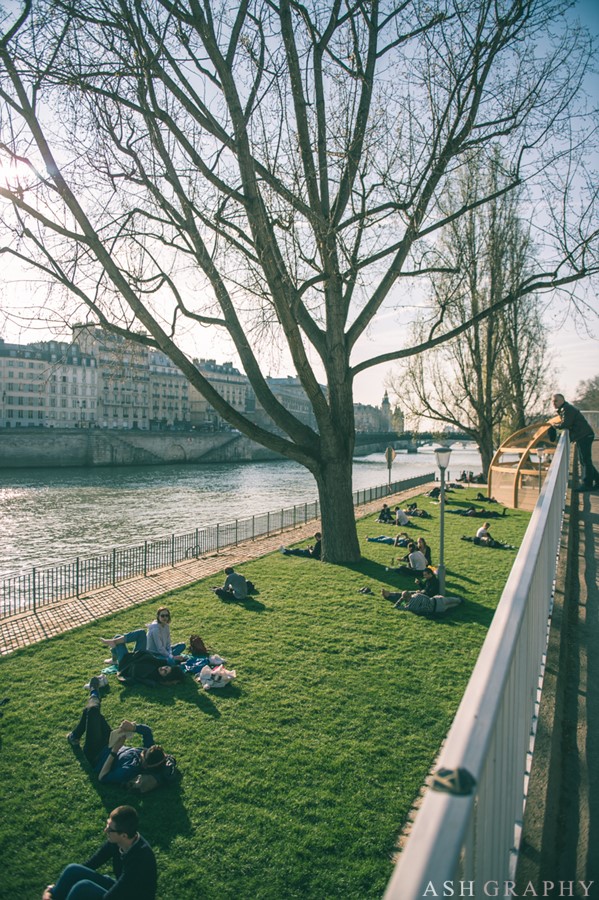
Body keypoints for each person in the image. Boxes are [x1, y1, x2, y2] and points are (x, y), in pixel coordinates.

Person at [66, 678, 176, 789]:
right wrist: (133, 727)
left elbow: (102, 777)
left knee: (93, 711)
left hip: (96, 753)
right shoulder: (149, 754)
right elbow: (147, 731)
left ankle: (94, 691)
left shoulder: (129, 770)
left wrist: (114, 751)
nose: (142, 751)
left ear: (146, 765)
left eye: (143, 754)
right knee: (92, 714)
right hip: (111, 740)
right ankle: (74, 736)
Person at [42, 805, 157, 900]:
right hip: (121, 889)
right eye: (107, 824)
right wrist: (58, 887)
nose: (105, 830)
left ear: (124, 835)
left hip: (130, 896)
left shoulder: (141, 859)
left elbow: (115, 895)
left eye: (110, 829)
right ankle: (53, 896)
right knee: (73, 870)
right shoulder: (116, 842)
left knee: (83, 888)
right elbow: (93, 863)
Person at [550, 393, 599, 492]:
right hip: (584, 436)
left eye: (556, 401)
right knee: (584, 460)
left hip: (584, 436)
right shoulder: (565, 409)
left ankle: (587, 484)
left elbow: (566, 424)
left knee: (585, 460)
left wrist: (554, 426)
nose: (553, 403)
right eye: (552, 401)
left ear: (562, 400)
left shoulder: (567, 409)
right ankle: (597, 481)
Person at [117, 650, 185, 686]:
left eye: (165, 672)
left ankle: (114, 656)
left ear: (164, 677)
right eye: (166, 667)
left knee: (117, 640)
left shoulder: (152, 676)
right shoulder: (159, 663)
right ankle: (114, 655)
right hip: (130, 658)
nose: (163, 668)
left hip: (124, 665)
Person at [382, 588, 463, 616]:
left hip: (437, 609)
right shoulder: (417, 595)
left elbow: (396, 607)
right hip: (437, 600)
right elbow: (427, 597)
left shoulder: (410, 607)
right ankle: (459, 600)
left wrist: (401, 599)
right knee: (451, 600)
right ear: (410, 594)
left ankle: (457, 604)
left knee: (450, 606)